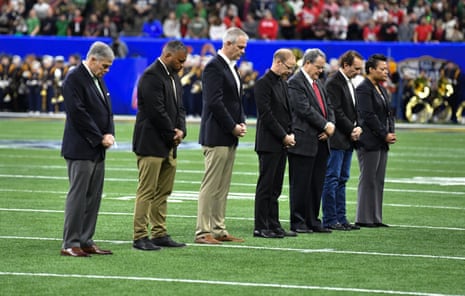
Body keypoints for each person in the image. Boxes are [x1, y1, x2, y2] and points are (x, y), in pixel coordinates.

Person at [60, 41, 115, 257]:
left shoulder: (97, 79)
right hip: (80, 147)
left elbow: (106, 109)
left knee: (93, 197)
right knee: (78, 196)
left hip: (97, 148)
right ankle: (70, 242)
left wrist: (109, 133)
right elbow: (78, 113)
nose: (106, 70)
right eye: (104, 66)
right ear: (92, 60)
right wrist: (99, 137)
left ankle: (85, 240)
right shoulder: (74, 78)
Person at [132, 40, 188, 251]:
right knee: (147, 191)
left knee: (163, 191)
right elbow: (156, 111)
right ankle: (139, 236)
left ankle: (159, 232)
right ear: (167, 56)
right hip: (151, 143)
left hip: (169, 143)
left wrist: (181, 129)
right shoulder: (151, 75)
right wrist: (172, 132)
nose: (182, 64)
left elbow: (180, 108)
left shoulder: (173, 76)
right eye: (180, 60)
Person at [195, 27, 249, 244]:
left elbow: (236, 100)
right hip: (216, 134)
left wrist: (241, 120)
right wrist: (232, 126)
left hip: (228, 135)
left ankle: (218, 228)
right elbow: (214, 102)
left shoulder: (231, 68)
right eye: (240, 46)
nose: (243, 51)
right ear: (228, 44)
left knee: (223, 185)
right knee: (211, 184)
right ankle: (203, 231)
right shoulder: (213, 68)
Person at [287, 48, 335, 234]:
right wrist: (325, 125)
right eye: (318, 67)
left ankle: (313, 220)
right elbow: (303, 109)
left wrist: (330, 125)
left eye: (322, 68)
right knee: (301, 184)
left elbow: (328, 106)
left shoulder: (318, 83)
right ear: (307, 63)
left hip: (321, 140)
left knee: (316, 183)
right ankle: (298, 221)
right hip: (304, 140)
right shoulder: (295, 83)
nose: (320, 71)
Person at [253, 48, 297, 239]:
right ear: (278, 62)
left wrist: (291, 133)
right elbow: (266, 115)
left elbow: (288, 113)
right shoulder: (263, 84)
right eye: (289, 67)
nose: (291, 71)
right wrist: (283, 136)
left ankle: (273, 223)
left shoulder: (283, 84)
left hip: (282, 142)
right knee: (266, 185)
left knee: (276, 187)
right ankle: (260, 226)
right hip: (269, 143)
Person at [321, 50, 364, 231]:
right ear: (345, 65)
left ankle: (342, 218)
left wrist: (358, 126)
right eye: (356, 68)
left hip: (347, 139)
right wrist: (351, 128)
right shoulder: (334, 82)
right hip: (337, 138)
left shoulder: (349, 82)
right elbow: (336, 111)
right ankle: (330, 219)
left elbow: (355, 110)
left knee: (342, 178)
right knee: (332, 178)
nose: (358, 72)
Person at [355, 53, 396, 228]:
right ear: (371, 70)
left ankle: (376, 217)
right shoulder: (364, 88)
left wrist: (390, 131)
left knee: (378, 180)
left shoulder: (381, 88)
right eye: (382, 69)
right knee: (368, 178)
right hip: (369, 140)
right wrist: (383, 133)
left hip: (381, 140)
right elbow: (368, 115)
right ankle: (364, 217)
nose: (386, 72)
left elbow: (387, 112)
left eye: (386, 69)